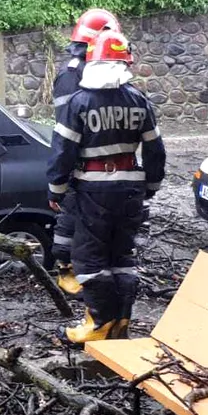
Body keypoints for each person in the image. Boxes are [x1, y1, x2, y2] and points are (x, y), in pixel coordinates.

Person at [47, 31, 165, 344]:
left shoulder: (80, 102)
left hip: (93, 190)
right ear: (126, 63)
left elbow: (63, 151)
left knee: (88, 259)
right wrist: (150, 186)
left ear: (93, 60)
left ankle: (97, 323)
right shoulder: (139, 100)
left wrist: (56, 190)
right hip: (130, 189)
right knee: (122, 258)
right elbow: (156, 150)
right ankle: (121, 320)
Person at [51, 8, 122, 295]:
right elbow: (68, 129)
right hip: (80, 161)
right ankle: (64, 270)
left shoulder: (98, 71)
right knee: (70, 216)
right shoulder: (72, 75)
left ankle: (94, 267)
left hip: (105, 162)